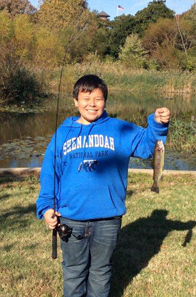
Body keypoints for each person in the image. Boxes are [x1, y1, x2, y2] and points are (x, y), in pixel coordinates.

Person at [36, 74, 171, 297]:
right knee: (74, 272)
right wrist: (46, 207)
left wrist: (158, 124)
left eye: (98, 99)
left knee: (100, 272)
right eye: (86, 98)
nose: (92, 104)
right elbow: (50, 174)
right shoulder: (63, 133)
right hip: (71, 218)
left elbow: (148, 146)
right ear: (75, 102)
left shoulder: (119, 129)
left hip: (108, 219)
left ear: (105, 101)